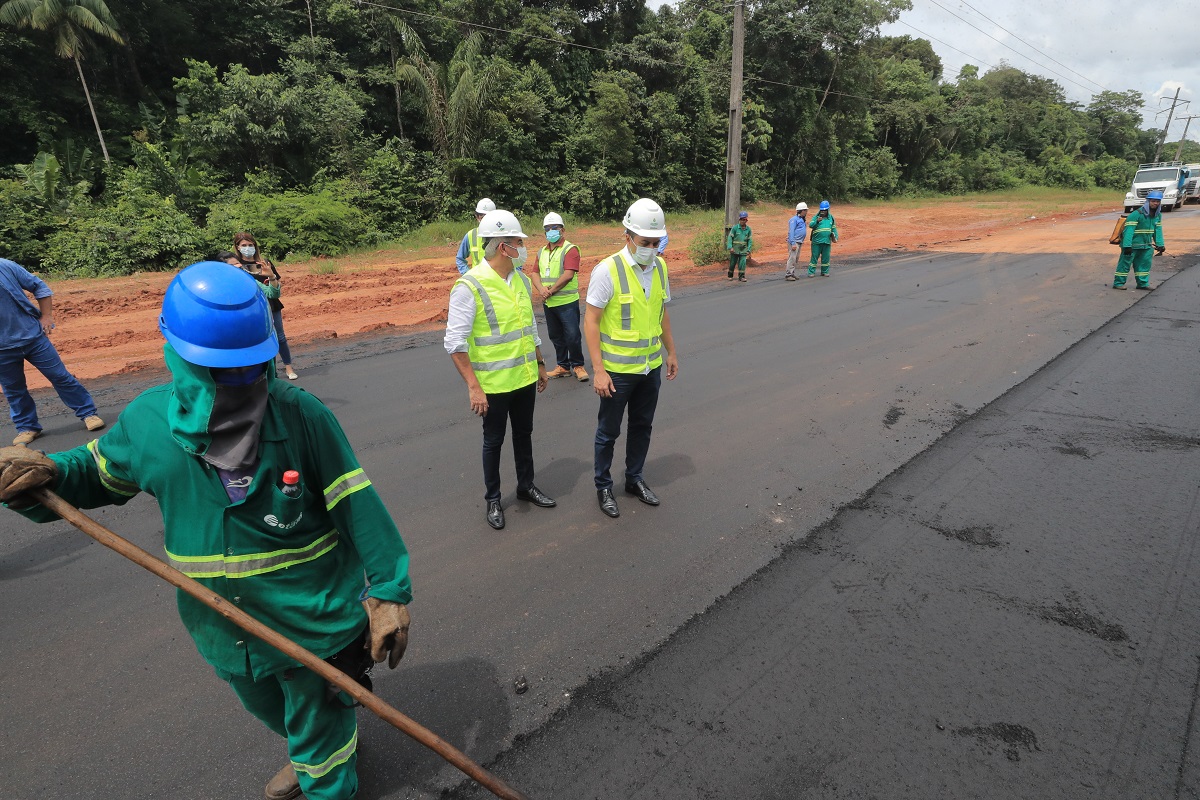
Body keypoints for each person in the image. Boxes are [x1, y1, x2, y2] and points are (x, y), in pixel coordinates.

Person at [0, 261, 412, 800]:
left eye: (250, 367)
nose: (241, 383)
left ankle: (325, 768)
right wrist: (49, 474)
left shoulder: (301, 416)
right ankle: (312, 751)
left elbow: (355, 502)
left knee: (321, 734)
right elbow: (98, 473)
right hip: (222, 625)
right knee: (266, 705)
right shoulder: (149, 424)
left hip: (310, 621)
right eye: (221, 370)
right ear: (176, 353)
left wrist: (387, 592)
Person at [445, 209, 555, 530]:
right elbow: (455, 343)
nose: (523, 246)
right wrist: (473, 386)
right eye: (518, 242)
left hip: (523, 378)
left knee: (524, 434)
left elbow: (529, 327)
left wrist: (540, 363)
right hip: (492, 384)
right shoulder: (470, 285)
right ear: (501, 246)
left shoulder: (520, 279)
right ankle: (493, 499)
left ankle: (526, 485)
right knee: (493, 441)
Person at [584, 198, 679, 519]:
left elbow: (661, 312)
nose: (651, 248)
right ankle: (603, 486)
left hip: (649, 368)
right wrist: (597, 370)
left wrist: (671, 352)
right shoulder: (607, 270)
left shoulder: (661, 267)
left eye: (656, 243)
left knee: (642, 426)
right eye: (645, 242)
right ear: (627, 236)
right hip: (617, 372)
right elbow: (591, 320)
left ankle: (634, 479)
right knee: (608, 432)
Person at [0, 257, 104, 446]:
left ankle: (88, 414)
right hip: (2, 350)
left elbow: (40, 287)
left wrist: (47, 316)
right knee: (14, 390)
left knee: (60, 376)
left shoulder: (4, 266)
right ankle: (27, 427)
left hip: (33, 337)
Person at [530, 212, 588, 382]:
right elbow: (534, 273)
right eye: (547, 229)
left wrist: (550, 290)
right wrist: (541, 289)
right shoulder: (541, 251)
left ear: (562, 230)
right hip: (549, 302)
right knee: (555, 335)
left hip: (566, 302)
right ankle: (563, 366)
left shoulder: (570, 249)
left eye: (554, 228)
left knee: (572, 335)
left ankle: (578, 365)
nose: (551, 231)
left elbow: (568, 274)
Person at [234, 233, 298, 380]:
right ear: (238, 247)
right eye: (244, 245)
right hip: (253, 308)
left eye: (250, 245)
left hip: (272, 304)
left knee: (280, 336)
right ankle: (270, 372)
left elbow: (275, 288)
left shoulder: (265, 263)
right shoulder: (237, 267)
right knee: (262, 339)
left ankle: (289, 367)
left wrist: (270, 275)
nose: (248, 248)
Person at [1114, 189, 1166, 290]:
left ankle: (1142, 284)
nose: (1155, 203)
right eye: (1153, 201)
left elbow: (1158, 230)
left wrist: (1160, 244)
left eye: (1157, 201)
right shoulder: (1136, 214)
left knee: (1144, 266)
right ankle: (1118, 283)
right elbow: (1128, 231)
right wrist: (1127, 246)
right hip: (1132, 246)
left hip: (1146, 246)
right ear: (1148, 201)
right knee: (1124, 265)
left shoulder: (1157, 215)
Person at [455, 198, 497, 275]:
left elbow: (516, 259)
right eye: (482, 217)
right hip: (478, 282)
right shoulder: (471, 235)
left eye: (489, 217)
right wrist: (468, 275)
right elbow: (460, 259)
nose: (486, 221)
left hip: (498, 282)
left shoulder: (503, 234)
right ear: (477, 217)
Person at [808, 200, 839, 277]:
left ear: (828, 210)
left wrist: (835, 237)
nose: (823, 212)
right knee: (814, 257)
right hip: (816, 242)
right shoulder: (816, 217)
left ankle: (824, 271)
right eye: (822, 210)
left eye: (825, 210)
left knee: (826, 258)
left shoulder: (831, 218)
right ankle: (811, 272)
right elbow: (811, 225)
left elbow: (834, 229)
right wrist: (817, 221)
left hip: (827, 241)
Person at [784, 202, 808, 280]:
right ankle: (788, 274)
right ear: (801, 211)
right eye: (805, 210)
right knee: (792, 258)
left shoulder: (802, 219)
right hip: (795, 242)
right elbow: (791, 231)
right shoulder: (794, 220)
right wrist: (793, 243)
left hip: (799, 241)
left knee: (796, 258)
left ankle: (792, 272)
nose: (806, 212)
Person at [726, 211, 753, 282]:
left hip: (743, 250)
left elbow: (749, 240)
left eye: (744, 219)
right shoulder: (735, 228)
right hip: (735, 249)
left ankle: (741, 276)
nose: (742, 221)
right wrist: (730, 247)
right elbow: (730, 238)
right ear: (739, 219)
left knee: (742, 264)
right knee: (732, 263)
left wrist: (749, 250)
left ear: (746, 220)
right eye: (741, 219)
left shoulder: (748, 229)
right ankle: (730, 275)